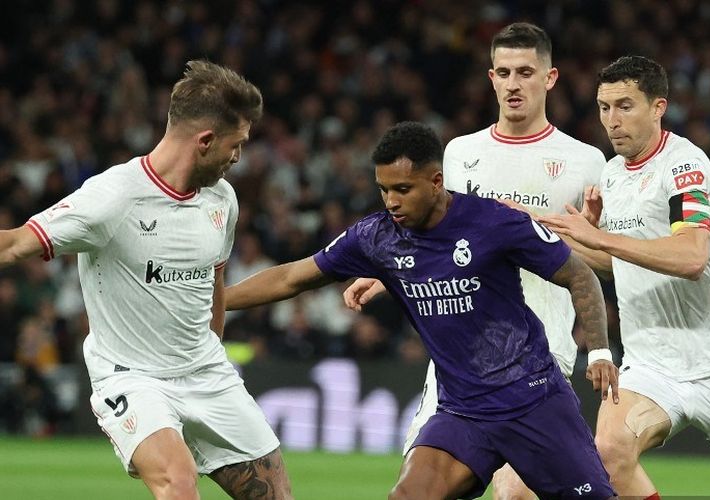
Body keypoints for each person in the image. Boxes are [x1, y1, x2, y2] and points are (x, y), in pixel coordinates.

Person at [226, 121, 619, 499]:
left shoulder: (493, 222)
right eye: (383, 190)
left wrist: (599, 351)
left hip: (533, 401)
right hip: (463, 412)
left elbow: (580, 274)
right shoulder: (378, 237)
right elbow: (292, 277)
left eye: (402, 188)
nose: (392, 201)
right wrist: (217, 301)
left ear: (435, 182)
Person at [0, 60, 293, 500]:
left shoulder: (222, 199)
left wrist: (212, 347)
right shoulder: (112, 198)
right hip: (132, 377)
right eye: (237, 145)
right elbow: (13, 245)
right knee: (178, 480)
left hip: (207, 374)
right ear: (206, 140)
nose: (239, 157)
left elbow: (212, 281)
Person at [342, 22, 607, 500]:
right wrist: (387, 274)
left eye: (525, 72)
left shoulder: (585, 161)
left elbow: (603, 264)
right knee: (418, 489)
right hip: (460, 358)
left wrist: (587, 237)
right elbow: (438, 239)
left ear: (550, 78)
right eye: (503, 72)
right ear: (490, 78)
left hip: (538, 354)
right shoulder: (461, 153)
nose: (513, 83)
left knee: (515, 494)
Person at [539, 55, 710, 498]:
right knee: (609, 453)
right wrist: (551, 233)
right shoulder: (613, 175)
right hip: (650, 365)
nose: (611, 121)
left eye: (625, 106)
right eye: (603, 107)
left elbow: (691, 257)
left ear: (658, 107)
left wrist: (600, 239)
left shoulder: (684, 165)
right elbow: (616, 264)